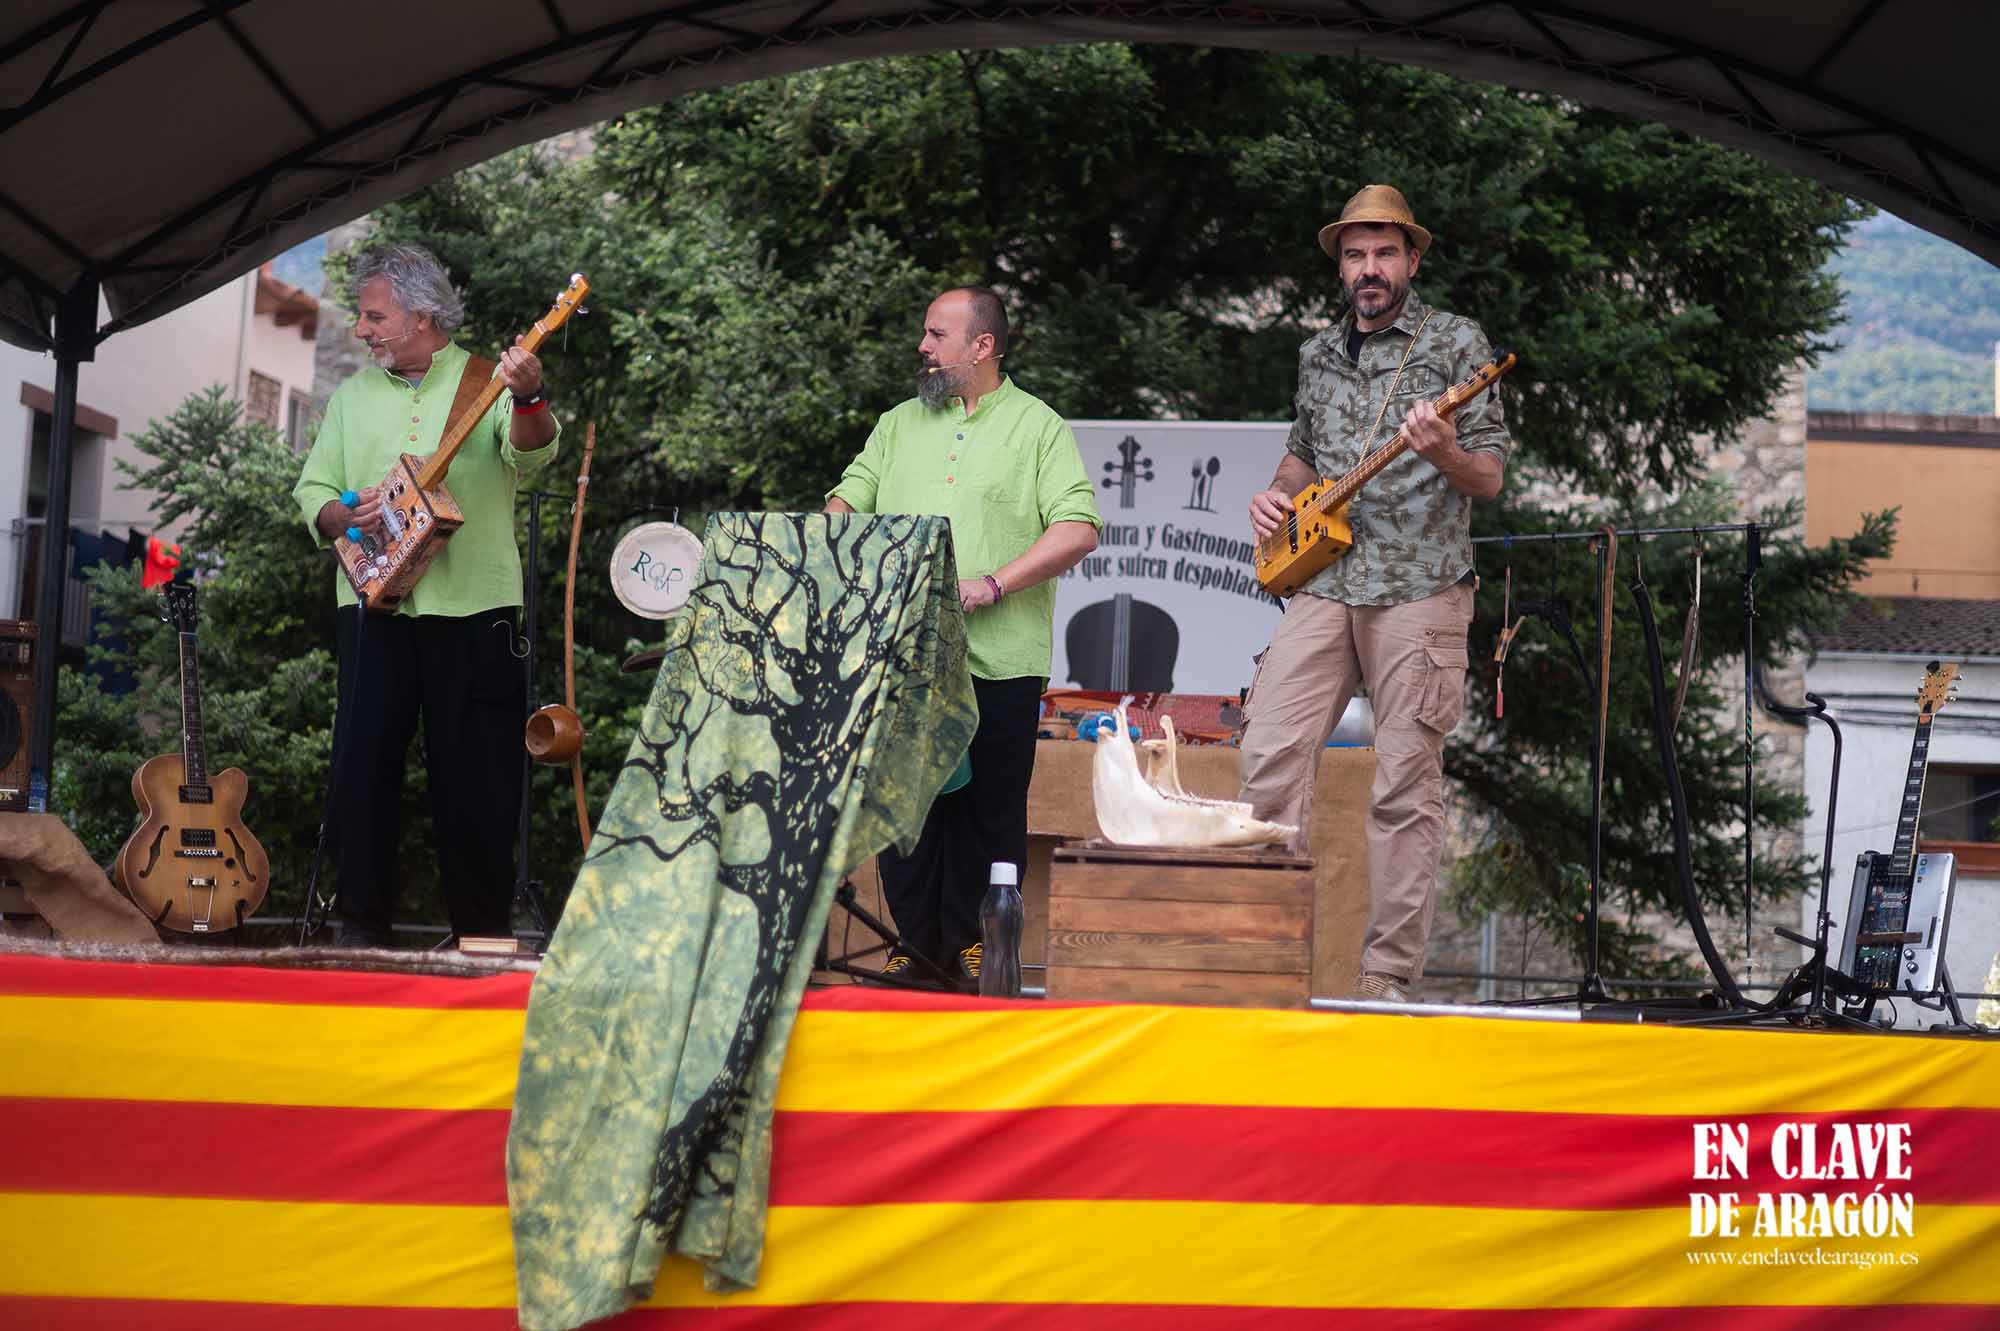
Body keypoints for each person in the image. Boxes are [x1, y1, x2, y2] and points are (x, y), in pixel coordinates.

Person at [1238, 185, 1509, 1004]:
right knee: (1267, 755)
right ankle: (1263, 962)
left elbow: (1489, 476)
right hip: (1324, 580)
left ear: (1412, 260)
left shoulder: (1456, 342)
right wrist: (1278, 494)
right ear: (1340, 267)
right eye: (1355, 255)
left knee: (1403, 787)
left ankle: (1387, 979)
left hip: (1420, 588)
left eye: (1385, 252)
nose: (1369, 268)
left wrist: (1444, 450)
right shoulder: (1318, 352)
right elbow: (1303, 451)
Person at [826, 286, 1102, 984]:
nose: (923, 346)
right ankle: (915, 944)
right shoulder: (897, 424)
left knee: (990, 808)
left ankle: (980, 945)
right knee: (907, 803)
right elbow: (844, 502)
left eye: (936, 334)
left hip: (1001, 657)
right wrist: (840, 540)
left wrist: (993, 584)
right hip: (903, 652)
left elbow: (1077, 529)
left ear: (983, 346)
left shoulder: (1039, 427)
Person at [293, 244, 561, 947]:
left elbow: (533, 452)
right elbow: (313, 491)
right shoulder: (351, 398)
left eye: (374, 317)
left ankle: (481, 939)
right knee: (363, 770)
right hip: (372, 608)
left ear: (420, 316)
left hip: (474, 612)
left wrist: (528, 394)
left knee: (477, 781)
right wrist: (339, 514)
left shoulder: (484, 380)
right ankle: (360, 933)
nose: (362, 330)